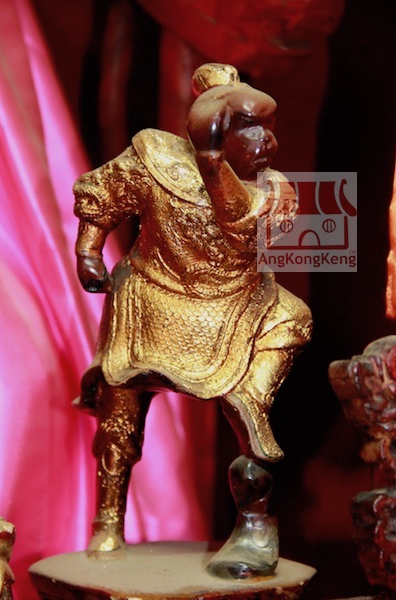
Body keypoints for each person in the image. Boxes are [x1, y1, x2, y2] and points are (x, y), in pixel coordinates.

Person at [73, 63, 312, 566]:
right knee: (121, 410)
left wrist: (212, 163)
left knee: (292, 321)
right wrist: (88, 250)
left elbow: (240, 223)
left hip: (237, 306)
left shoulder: (274, 190)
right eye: (249, 128)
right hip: (150, 299)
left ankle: (253, 493)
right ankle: (108, 519)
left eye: (268, 128)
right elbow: (104, 193)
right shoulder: (154, 157)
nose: (266, 142)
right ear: (212, 128)